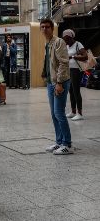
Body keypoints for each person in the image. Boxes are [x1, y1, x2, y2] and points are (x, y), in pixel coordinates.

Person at [40, 18, 73, 155]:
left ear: (52, 28)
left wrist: (59, 83)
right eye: (42, 27)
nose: (44, 29)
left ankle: (67, 144)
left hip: (60, 82)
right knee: (54, 114)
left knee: (59, 113)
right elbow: (49, 62)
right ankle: (59, 141)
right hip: (50, 82)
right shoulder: (47, 44)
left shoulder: (59, 42)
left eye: (47, 27)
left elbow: (63, 63)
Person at [62, 29, 88, 121]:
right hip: (69, 70)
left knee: (76, 90)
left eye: (67, 39)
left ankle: (79, 113)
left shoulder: (78, 44)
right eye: (64, 39)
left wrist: (72, 56)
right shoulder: (67, 46)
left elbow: (85, 56)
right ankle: (73, 111)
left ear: (71, 37)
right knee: (71, 91)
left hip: (77, 70)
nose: (65, 41)